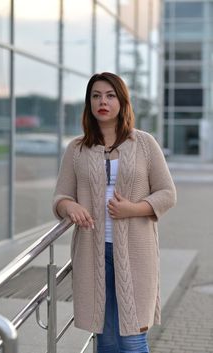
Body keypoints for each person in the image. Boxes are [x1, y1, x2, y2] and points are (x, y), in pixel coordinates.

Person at [53, 72, 176, 353]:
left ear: (122, 102)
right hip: (91, 254)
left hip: (136, 254)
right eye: (96, 96)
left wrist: (132, 209)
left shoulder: (144, 143)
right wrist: (68, 205)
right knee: (106, 341)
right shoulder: (76, 149)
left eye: (110, 95)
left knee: (132, 340)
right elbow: (60, 196)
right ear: (89, 103)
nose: (102, 102)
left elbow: (167, 193)